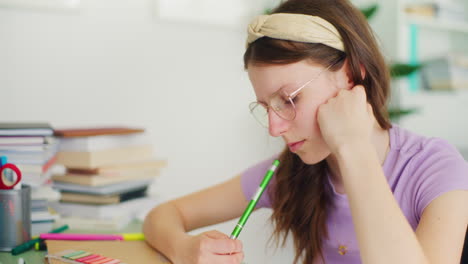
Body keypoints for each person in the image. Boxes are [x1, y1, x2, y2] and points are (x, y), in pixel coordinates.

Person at [143, 0, 468, 263]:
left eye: (289, 99)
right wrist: (185, 249)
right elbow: (163, 216)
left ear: (352, 75)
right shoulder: (287, 172)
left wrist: (352, 145)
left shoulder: (437, 168)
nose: (274, 127)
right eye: (266, 107)